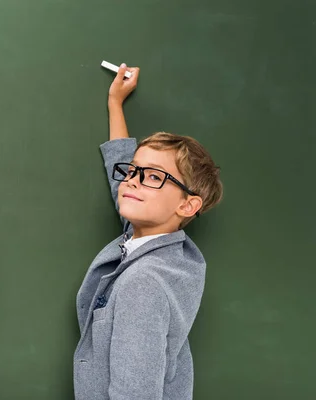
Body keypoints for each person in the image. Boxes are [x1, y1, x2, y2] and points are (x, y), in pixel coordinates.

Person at [73, 65, 224, 399]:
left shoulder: (144, 284)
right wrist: (116, 103)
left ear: (187, 206)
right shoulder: (160, 247)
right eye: (133, 171)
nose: (132, 180)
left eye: (153, 177)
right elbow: (124, 178)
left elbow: (135, 392)